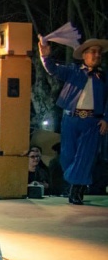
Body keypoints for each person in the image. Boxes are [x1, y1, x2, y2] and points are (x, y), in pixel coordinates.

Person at [39, 37, 108, 204]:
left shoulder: (104, 77)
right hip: (70, 118)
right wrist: (45, 56)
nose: (97, 55)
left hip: (92, 122)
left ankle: (76, 190)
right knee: (67, 156)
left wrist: (106, 118)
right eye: (93, 51)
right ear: (84, 55)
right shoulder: (73, 71)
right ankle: (78, 182)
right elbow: (53, 69)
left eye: (99, 52)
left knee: (85, 157)